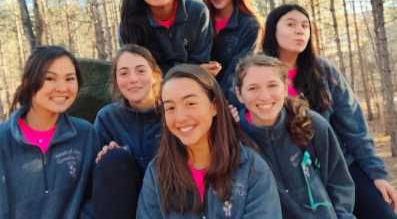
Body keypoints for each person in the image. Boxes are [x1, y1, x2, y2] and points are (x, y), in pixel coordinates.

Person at [262, 4, 397, 219]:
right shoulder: (258, 74)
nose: (300, 30)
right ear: (273, 30)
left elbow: (355, 127)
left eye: (305, 26)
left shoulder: (323, 70)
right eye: (291, 24)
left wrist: (376, 175)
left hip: (339, 165)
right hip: (292, 177)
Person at [137, 64, 282, 218]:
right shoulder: (157, 174)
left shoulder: (251, 170)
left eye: (190, 104)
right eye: (170, 108)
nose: (180, 118)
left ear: (214, 106)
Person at [235, 53, 355, 218]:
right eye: (253, 88)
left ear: (285, 88)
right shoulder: (234, 140)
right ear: (239, 94)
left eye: (272, 85)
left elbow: (339, 182)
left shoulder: (311, 125)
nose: (264, 96)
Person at [0, 45, 100, 218]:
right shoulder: (3, 140)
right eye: (50, 79)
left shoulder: (86, 134)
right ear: (28, 83)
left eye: (69, 79)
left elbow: (95, 196)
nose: (62, 88)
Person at [93, 44, 163, 219]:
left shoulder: (172, 113)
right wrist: (108, 156)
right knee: (114, 158)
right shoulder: (107, 118)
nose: (133, 79)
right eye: (124, 73)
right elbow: (99, 180)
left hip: (165, 206)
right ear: (116, 80)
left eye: (141, 71)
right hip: (123, 207)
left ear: (154, 75)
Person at [119, 0, 213, 75]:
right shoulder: (129, 25)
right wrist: (189, 70)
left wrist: (193, 71)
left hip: (191, 84)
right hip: (150, 90)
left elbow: (200, 63)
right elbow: (139, 73)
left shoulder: (197, 12)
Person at [203, 0, 263, 108]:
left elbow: (239, 71)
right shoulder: (200, 21)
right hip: (200, 96)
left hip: (231, 102)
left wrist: (217, 103)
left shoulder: (249, 25)